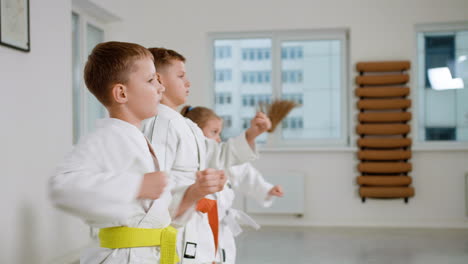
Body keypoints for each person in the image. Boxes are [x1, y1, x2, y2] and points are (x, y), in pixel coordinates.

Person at [49, 41, 223, 264]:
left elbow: (159, 215)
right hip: (123, 255)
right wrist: (137, 185)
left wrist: (195, 192)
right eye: (151, 80)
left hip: (149, 252)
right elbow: (62, 187)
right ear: (121, 93)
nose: (160, 88)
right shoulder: (107, 137)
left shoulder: (138, 139)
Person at [142, 47, 272, 264]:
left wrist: (252, 134)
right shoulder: (158, 124)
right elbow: (157, 184)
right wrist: (195, 191)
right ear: (158, 80)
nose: (188, 82)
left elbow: (217, 155)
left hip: (194, 221)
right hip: (176, 221)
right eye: (181, 76)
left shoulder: (185, 126)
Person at [181, 105, 284, 264]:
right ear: (195, 133)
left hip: (222, 230)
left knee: (223, 257)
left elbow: (246, 174)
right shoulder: (186, 163)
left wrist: (267, 189)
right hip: (196, 229)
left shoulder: (222, 159)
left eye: (219, 133)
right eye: (214, 132)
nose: (219, 138)